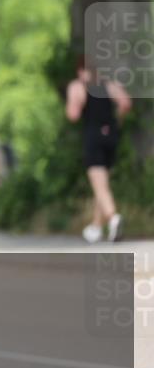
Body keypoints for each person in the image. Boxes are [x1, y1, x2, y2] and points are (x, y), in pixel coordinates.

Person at [66, 59, 131, 243]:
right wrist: (117, 120)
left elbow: (73, 115)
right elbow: (126, 103)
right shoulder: (108, 85)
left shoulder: (78, 86)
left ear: (80, 70)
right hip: (111, 135)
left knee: (99, 184)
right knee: (101, 184)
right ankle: (95, 227)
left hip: (93, 136)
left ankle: (113, 217)